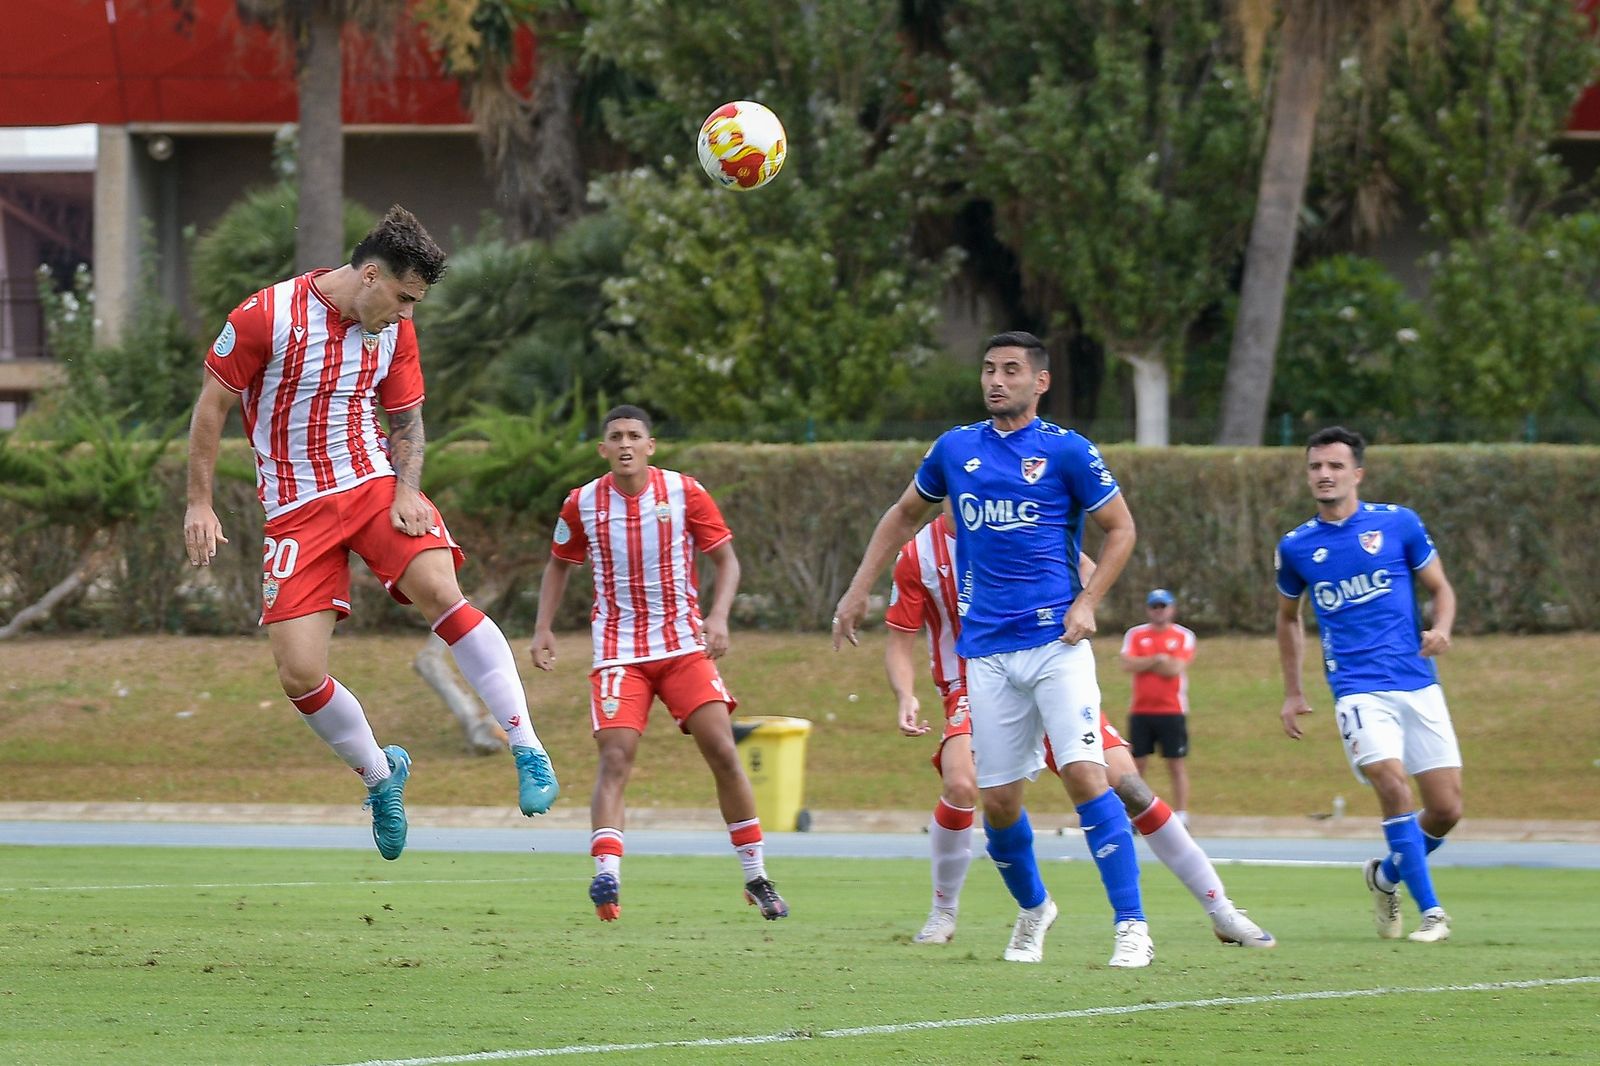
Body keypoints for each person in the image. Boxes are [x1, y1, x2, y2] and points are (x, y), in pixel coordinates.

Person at [183, 205, 559, 861]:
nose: (407, 315)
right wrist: (200, 503)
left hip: (371, 487)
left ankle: (526, 744)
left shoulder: (395, 331)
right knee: (299, 673)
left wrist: (408, 490)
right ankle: (382, 779)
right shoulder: (264, 317)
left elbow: (408, 422)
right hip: (297, 509)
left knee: (442, 590)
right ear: (368, 275)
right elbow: (211, 407)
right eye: (403, 298)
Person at [835, 329, 1151, 968]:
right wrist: (856, 591)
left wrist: (1088, 601)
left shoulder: (1068, 452)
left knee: (1089, 776)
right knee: (999, 801)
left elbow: (1120, 528)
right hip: (987, 654)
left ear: (1040, 382)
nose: (995, 380)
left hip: (1056, 646)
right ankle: (1035, 909)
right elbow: (901, 516)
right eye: (987, 369)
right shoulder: (954, 449)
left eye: (1010, 370)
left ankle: (1131, 925)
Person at [885, 519, 1274, 949]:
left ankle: (1220, 910)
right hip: (973, 682)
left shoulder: (1018, 512)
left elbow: (1088, 566)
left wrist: (1077, 603)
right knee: (963, 785)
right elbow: (899, 639)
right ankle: (958, 910)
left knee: (1129, 784)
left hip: (1047, 670)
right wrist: (905, 694)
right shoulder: (919, 553)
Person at [530, 405, 788, 923]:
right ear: (603, 450)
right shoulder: (581, 503)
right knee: (616, 757)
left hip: (682, 646)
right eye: (615, 437)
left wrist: (719, 616)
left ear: (651, 445)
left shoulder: (684, 492)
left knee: (721, 747)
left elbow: (726, 560)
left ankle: (756, 875)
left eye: (634, 435)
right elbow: (559, 565)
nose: (625, 444)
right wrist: (543, 628)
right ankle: (607, 875)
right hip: (618, 651)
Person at [1275, 426, 1462, 944]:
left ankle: (1385, 878)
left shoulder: (1398, 524)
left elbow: (1441, 589)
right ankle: (1432, 914)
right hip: (1356, 688)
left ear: (1356, 473)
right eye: (1315, 466)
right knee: (1392, 782)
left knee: (1447, 809)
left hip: (1417, 682)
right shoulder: (1297, 546)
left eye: (1335, 466)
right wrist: (1293, 690)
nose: (1324, 475)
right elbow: (1288, 619)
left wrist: (1441, 630)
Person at [1121, 587, 1196, 824]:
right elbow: (1127, 663)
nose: (1159, 612)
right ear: (1148, 610)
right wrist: (1157, 660)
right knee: (1137, 765)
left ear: (1171, 609)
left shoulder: (1183, 635)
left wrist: (1147, 663)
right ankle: (1135, 813)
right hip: (1141, 710)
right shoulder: (1135, 634)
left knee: (1175, 763)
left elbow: (1175, 668)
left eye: (1163, 607)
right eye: (1154, 607)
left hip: (1172, 710)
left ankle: (1182, 813)